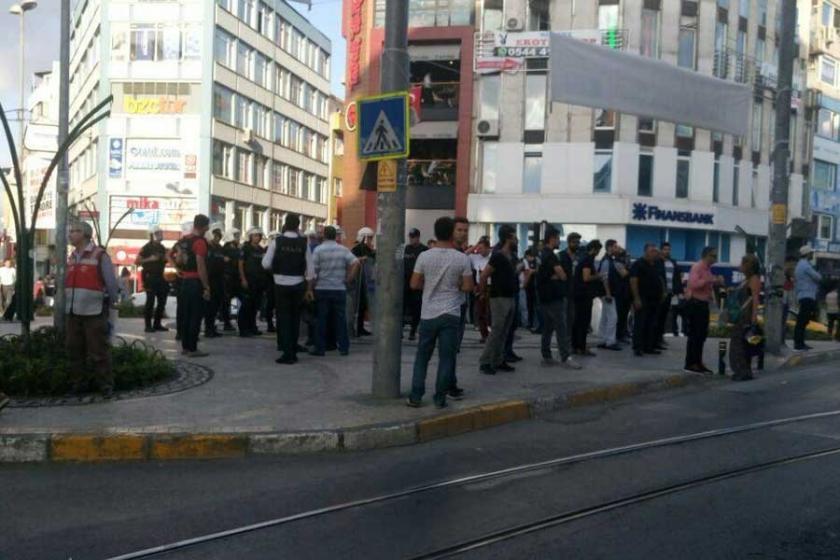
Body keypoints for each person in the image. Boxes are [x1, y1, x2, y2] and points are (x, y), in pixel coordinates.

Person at [407, 216, 474, 409]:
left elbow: (414, 284)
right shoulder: (461, 258)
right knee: (447, 358)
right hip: (451, 313)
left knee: (422, 357)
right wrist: (456, 285)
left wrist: (427, 285)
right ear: (452, 232)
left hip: (428, 314)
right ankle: (440, 398)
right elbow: (468, 286)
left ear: (435, 233)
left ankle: (416, 396)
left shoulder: (424, 256)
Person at [65, 221, 120, 395]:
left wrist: (112, 301)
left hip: (94, 310)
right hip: (73, 310)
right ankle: (78, 384)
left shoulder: (99, 255)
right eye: (71, 231)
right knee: (75, 350)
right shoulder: (72, 256)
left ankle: (105, 385)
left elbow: (110, 281)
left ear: (86, 235)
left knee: (98, 350)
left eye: (75, 231)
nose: (71, 234)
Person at [262, 213, 313, 365]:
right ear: (298, 226)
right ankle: (293, 349)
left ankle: (287, 352)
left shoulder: (277, 241)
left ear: (285, 224)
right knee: (295, 318)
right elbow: (310, 269)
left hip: (280, 284)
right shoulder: (304, 243)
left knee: (283, 319)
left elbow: (265, 264)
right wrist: (309, 288)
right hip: (298, 284)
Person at [310, 226, 359, 356]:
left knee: (321, 319)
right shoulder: (343, 250)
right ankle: (343, 347)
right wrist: (349, 279)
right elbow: (356, 263)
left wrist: (311, 287)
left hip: (322, 288)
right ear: (335, 236)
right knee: (340, 319)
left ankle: (320, 348)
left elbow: (314, 271)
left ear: (324, 235)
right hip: (339, 289)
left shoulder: (318, 250)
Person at [537, 227, 581, 369]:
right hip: (554, 297)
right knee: (561, 327)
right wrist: (558, 276)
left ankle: (547, 354)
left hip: (544, 296)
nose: (559, 241)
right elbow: (562, 275)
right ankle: (566, 357)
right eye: (557, 238)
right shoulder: (551, 255)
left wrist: (553, 276)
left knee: (548, 328)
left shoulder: (542, 254)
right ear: (552, 239)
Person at [478, 226, 518, 375]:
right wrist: (482, 293)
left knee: (504, 331)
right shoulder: (498, 256)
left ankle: (498, 359)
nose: (516, 240)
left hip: (510, 297)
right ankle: (485, 361)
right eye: (514, 237)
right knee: (496, 331)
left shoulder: (511, 256)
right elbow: (484, 275)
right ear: (508, 238)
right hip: (499, 298)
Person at [172, 215, 211, 357]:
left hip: (184, 282)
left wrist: (177, 269)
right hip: (195, 282)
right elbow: (201, 265)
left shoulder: (184, 240)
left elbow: (174, 257)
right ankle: (193, 349)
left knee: (186, 315)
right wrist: (206, 286)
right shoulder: (200, 242)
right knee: (196, 315)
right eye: (208, 226)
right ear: (205, 227)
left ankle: (185, 347)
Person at [683, 246, 724, 373]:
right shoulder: (698, 267)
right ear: (706, 256)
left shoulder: (707, 269)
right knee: (695, 334)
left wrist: (715, 283)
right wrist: (710, 280)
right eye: (713, 256)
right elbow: (694, 284)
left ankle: (698, 361)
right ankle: (691, 363)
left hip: (703, 303)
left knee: (701, 335)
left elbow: (707, 284)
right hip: (696, 303)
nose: (715, 259)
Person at [728, 254, 764, 381]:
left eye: (742, 264)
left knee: (740, 344)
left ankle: (743, 371)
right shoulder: (746, 280)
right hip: (740, 316)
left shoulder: (754, 279)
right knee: (739, 343)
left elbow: (755, 299)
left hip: (745, 316)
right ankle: (741, 370)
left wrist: (754, 318)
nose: (740, 266)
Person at [630, 243, 666, 357]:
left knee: (652, 323)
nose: (654, 253)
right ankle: (638, 347)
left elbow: (660, 279)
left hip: (655, 299)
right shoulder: (638, 264)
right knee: (640, 323)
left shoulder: (656, 264)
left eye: (655, 251)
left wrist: (663, 292)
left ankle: (648, 346)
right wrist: (636, 298)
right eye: (652, 251)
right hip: (642, 298)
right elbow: (633, 281)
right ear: (645, 252)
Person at [135, 225, 169, 333]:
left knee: (162, 300)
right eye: (158, 233)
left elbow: (165, 259)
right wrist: (150, 259)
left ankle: (157, 324)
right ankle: (148, 325)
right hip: (149, 276)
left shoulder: (162, 247)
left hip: (160, 276)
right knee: (150, 301)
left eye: (161, 233)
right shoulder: (147, 247)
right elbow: (137, 261)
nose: (160, 235)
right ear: (152, 235)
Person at [572, 239, 602, 357]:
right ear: (594, 249)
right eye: (598, 250)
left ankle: (576, 346)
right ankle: (581, 347)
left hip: (580, 294)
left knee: (578, 321)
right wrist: (598, 276)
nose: (598, 252)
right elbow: (586, 278)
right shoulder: (587, 260)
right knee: (583, 322)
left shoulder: (584, 258)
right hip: (583, 295)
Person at [237, 227, 267, 337]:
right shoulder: (245, 248)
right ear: (250, 237)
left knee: (255, 306)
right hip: (248, 280)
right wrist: (243, 279)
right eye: (255, 236)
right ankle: (243, 329)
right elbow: (240, 264)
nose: (258, 238)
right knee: (246, 305)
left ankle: (252, 327)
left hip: (258, 282)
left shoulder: (260, 249)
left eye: (259, 236)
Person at [794, 244, 822, 351]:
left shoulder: (800, 265)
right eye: (811, 253)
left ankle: (800, 343)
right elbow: (818, 277)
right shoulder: (806, 266)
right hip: (807, 296)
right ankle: (799, 344)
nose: (813, 254)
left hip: (803, 295)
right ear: (808, 254)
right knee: (802, 320)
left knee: (803, 320)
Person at [656, 242, 683, 347]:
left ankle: (660, 338)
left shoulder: (672, 262)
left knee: (664, 317)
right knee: (657, 316)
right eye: (665, 249)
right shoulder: (657, 262)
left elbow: (677, 277)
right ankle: (655, 339)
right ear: (661, 250)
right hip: (659, 294)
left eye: (668, 249)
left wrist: (678, 292)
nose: (667, 251)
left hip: (669, 294)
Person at [596, 240, 621, 351]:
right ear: (609, 248)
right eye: (615, 247)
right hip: (608, 293)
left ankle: (603, 340)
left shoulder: (610, 260)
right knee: (612, 317)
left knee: (605, 317)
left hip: (607, 293)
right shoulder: (607, 261)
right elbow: (604, 278)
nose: (617, 248)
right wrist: (608, 294)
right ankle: (610, 341)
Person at [403, 228, 428, 341]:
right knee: (402, 307)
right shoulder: (406, 248)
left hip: (418, 284)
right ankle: (400, 330)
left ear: (418, 237)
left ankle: (413, 330)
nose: (411, 239)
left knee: (416, 308)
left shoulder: (424, 250)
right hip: (405, 282)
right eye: (410, 237)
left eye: (413, 237)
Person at [351, 227, 376, 336]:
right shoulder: (357, 248)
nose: (371, 240)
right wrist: (362, 258)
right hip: (358, 280)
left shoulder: (368, 249)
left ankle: (360, 328)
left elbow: (374, 257)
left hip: (367, 280)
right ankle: (356, 328)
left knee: (364, 304)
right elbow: (352, 260)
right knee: (358, 304)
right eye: (369, 237)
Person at [204, 223, 226, 338]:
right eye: (215, 235)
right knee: (209, 306)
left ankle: (212, 327)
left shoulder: (219, 248)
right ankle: (208, 329)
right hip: (209, 279)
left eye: (219, 236)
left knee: (216, 305)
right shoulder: (207, 247)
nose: (217, 238)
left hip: (219, 280)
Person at [470, 238, 492, 343]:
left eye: (482, 248)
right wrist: (475, 246)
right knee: (480, 312)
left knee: (490, 311)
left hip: (490, 286)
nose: (480, 250)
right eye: (479, 248)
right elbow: (464, 254)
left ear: (488, 248)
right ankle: (484, 335)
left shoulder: (493, 257)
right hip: (479, 286)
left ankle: (492, 334)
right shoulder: (476, 258)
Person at [221, 228, 241, 331]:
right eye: (236, 235)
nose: (238, 237)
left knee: (235, 299)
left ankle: (233, 316)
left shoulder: (238, 248)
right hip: (228, 277)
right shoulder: (225, 248)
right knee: (227, 300)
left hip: (236, 277)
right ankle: (226, 321)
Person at [614, 246, 632, 344]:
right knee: (620, 315)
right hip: (620, 293)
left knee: (624, 315)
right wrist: (630, 269)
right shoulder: (617, 263)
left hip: (626, 292)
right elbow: (624, 274)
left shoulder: (624, 263)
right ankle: (619, 335)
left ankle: (623, 333)